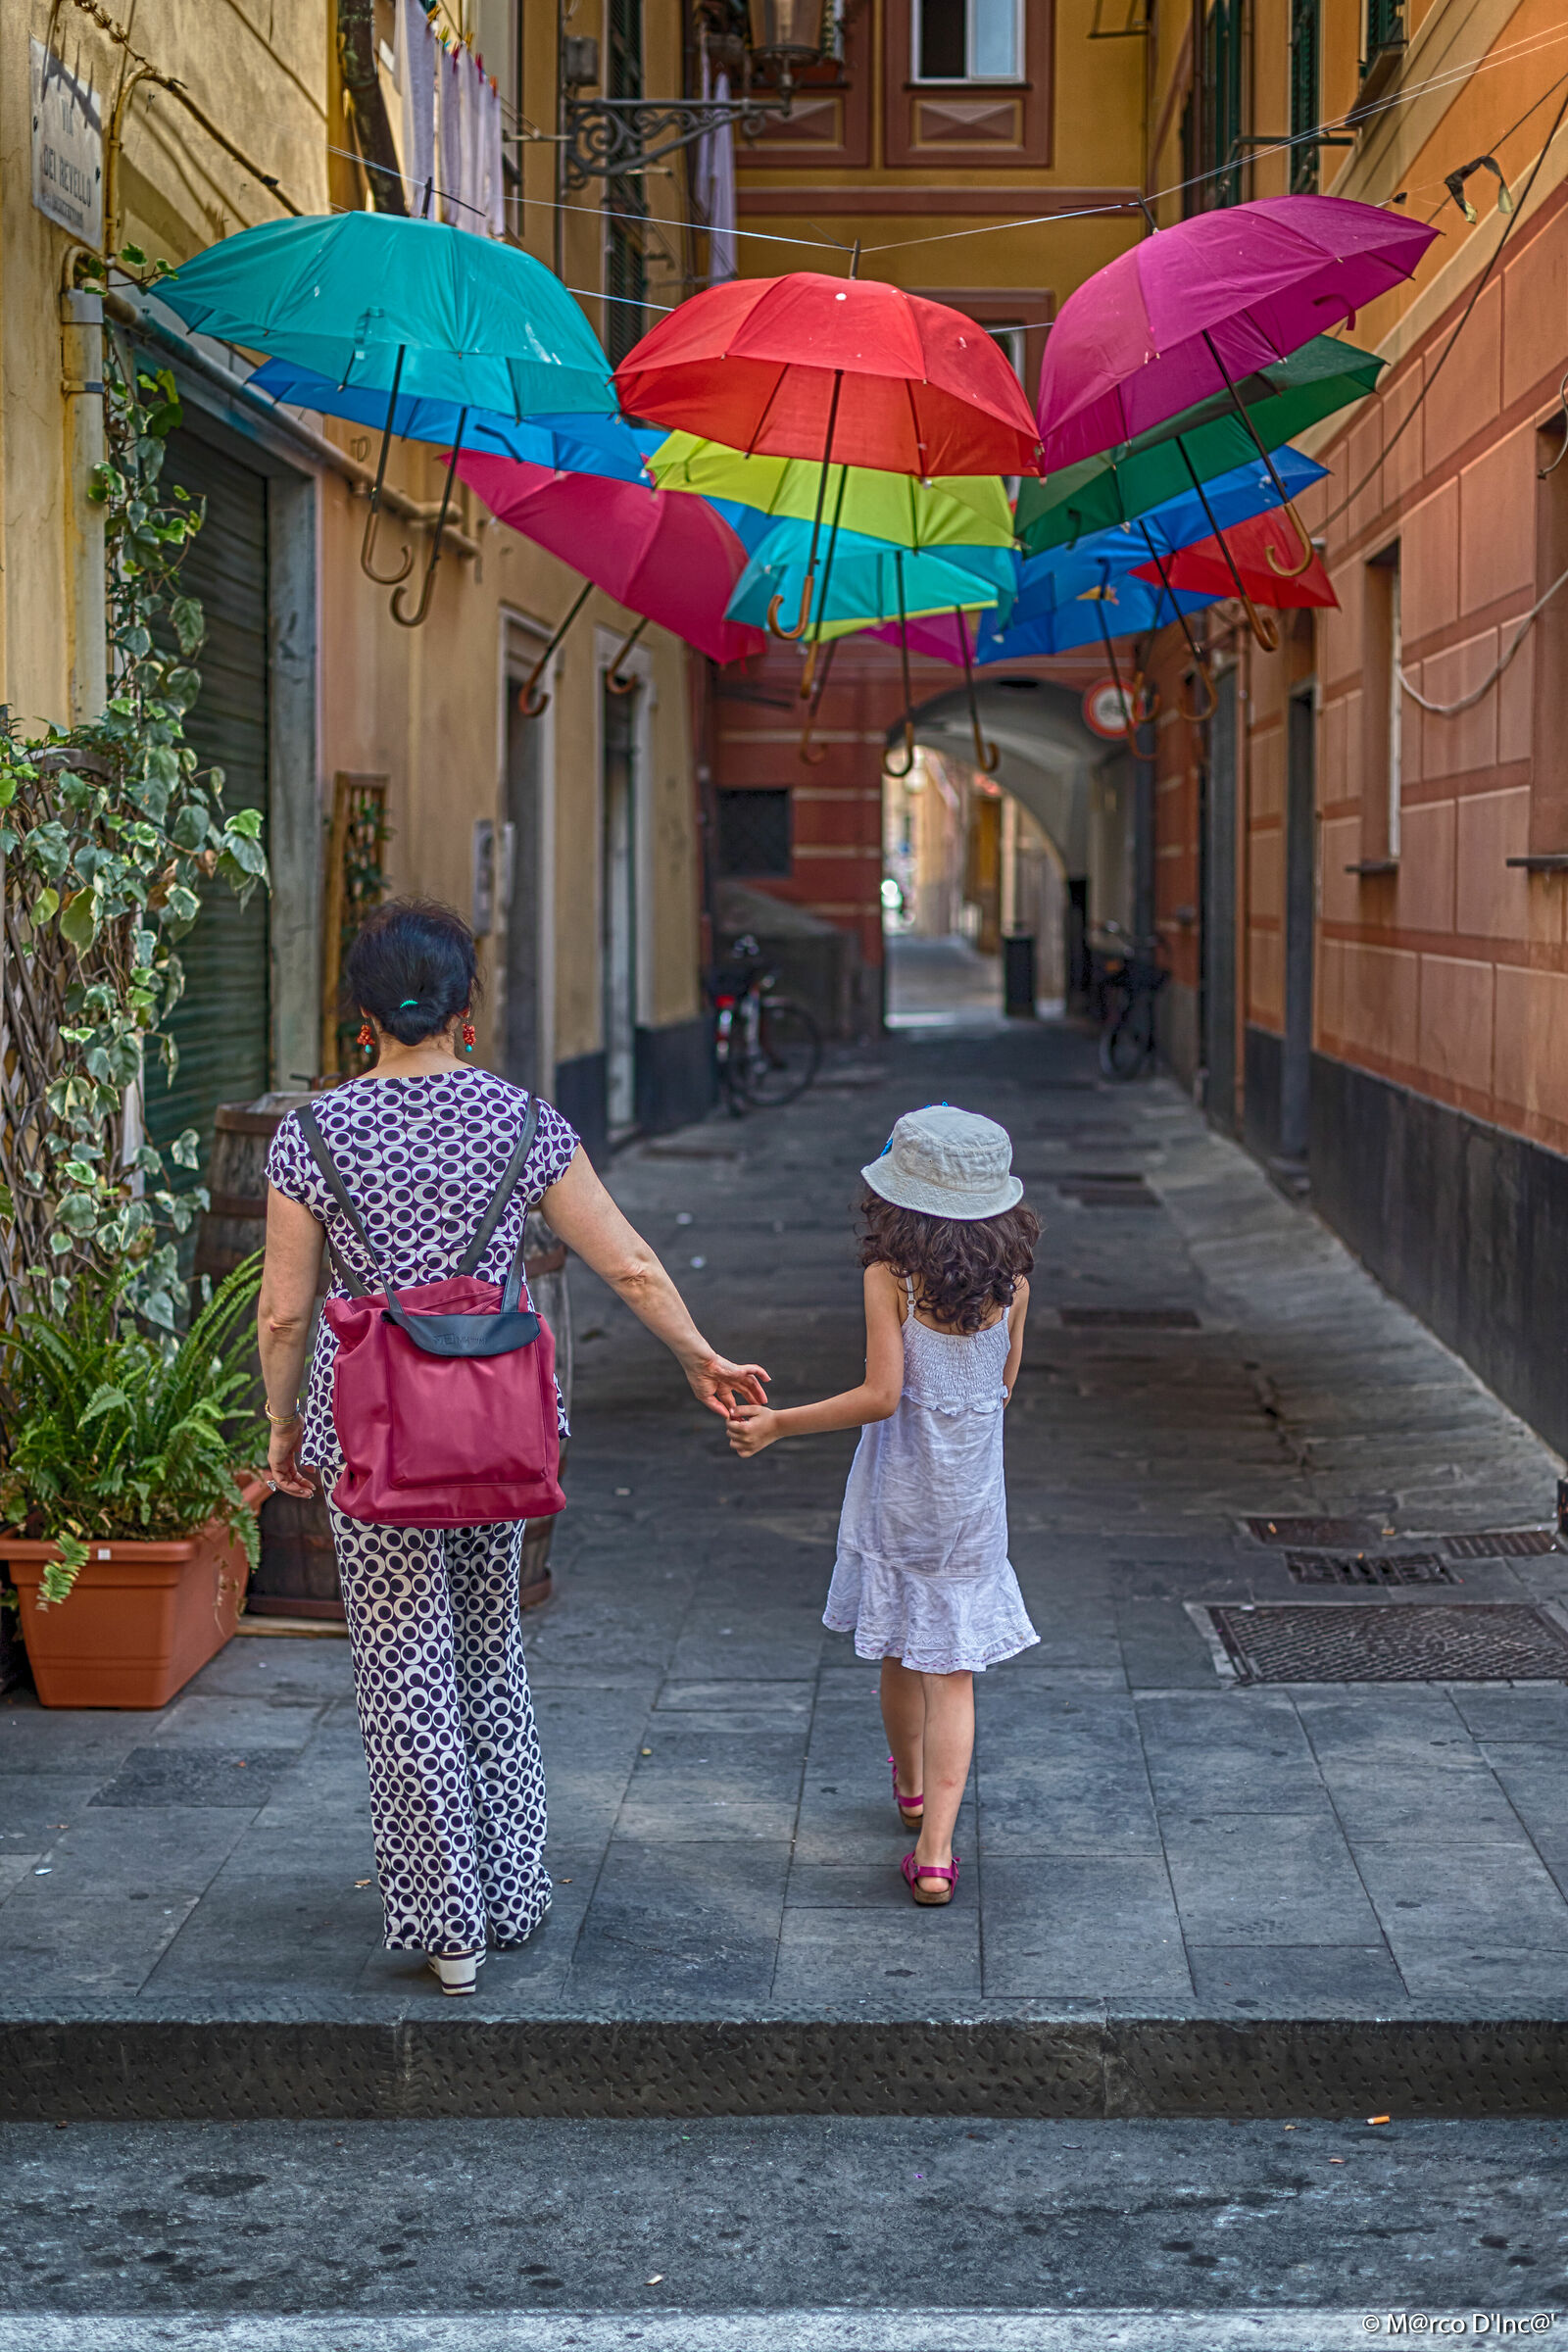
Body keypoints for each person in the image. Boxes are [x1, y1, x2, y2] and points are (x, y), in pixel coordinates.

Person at [258, 898, 767, 1995]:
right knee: (489, 1645)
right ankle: (517, 1889)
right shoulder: (522, 1122)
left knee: (402, 1670)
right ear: (464, 1009)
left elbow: (283, 1317)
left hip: (378, 1438)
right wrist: (698, 1356)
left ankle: (450, 1927)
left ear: (363, 1017)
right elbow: (626, 1260)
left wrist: (286, 1425)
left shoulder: (309, 1136)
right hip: (495, 1428)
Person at [726, 1104, 1038, 1906]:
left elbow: (880, 1395)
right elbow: (1002, 1388)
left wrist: (777, 1425)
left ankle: (908, 1788)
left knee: (901, 1641)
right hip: (972, 1506)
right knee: (953, 1670)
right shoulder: (1014, 1289)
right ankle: (936, 1854)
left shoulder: (889, 1280)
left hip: (899, 1497)